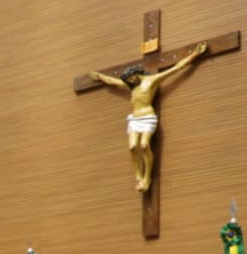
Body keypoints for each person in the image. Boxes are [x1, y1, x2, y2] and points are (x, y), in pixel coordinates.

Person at [87, 41, 208, 192]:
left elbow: (176, 68)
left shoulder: (152, 80)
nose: (130, 82)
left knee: (144, 146)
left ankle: (147, 177)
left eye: (131, 79)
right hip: (134, 119)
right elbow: (112, 81)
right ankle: (138, 175)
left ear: (136, 73)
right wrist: (98, 76)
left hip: (148, 117)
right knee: (132, 147)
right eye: (128, 81)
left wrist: (195, 54)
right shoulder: (131, 86)